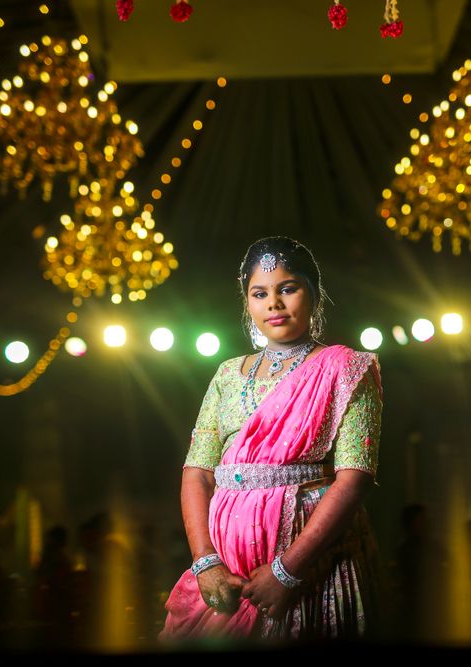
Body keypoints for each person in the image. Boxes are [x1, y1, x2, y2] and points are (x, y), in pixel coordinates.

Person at [159, 236, 385, 643]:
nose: (273, 304)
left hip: (313, 570)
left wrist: (288, 571)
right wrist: (204, 562)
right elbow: (197, 472)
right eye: (259, 293)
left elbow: (355, 478)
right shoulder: (228, 374)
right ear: (247, 302)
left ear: (314, 294)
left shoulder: (346, 369)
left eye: (288, 288)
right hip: (226, 571)